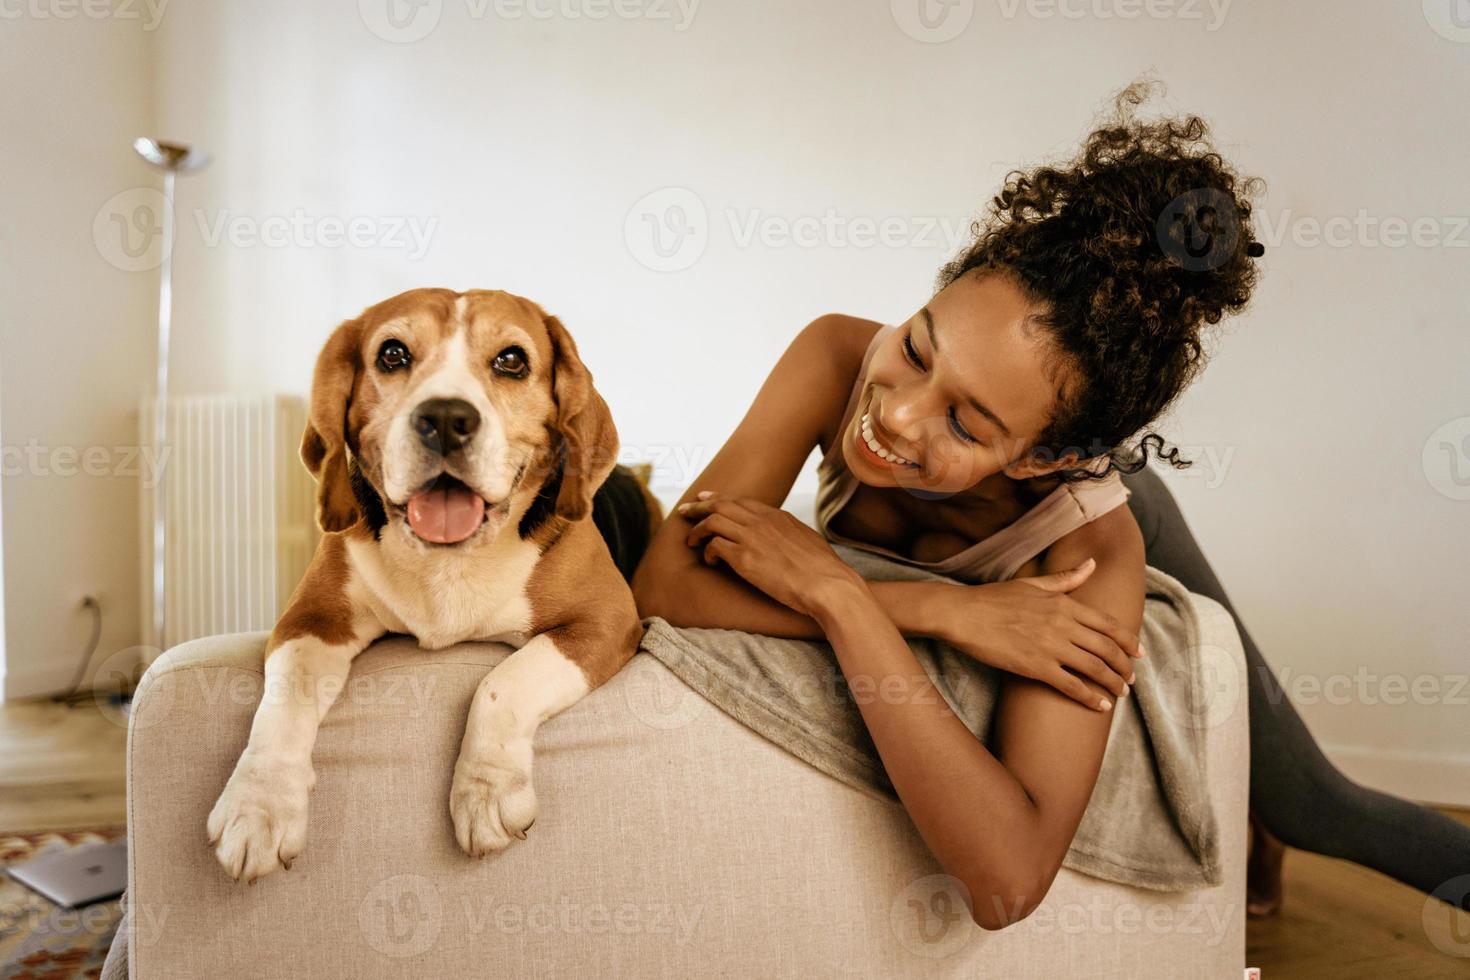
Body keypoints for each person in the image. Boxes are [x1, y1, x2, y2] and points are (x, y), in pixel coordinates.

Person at [629, 83, 1470, 925]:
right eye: (920, 347)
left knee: (1311, 801)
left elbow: (1007, 882)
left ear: (1045, 457)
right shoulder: (836, 357)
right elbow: (661, 587)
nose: (896, 412)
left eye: (964, 420)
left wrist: (846, 598)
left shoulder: (1091, 551)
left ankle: (1274, 826)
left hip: (1116, 505)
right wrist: (932, 610)